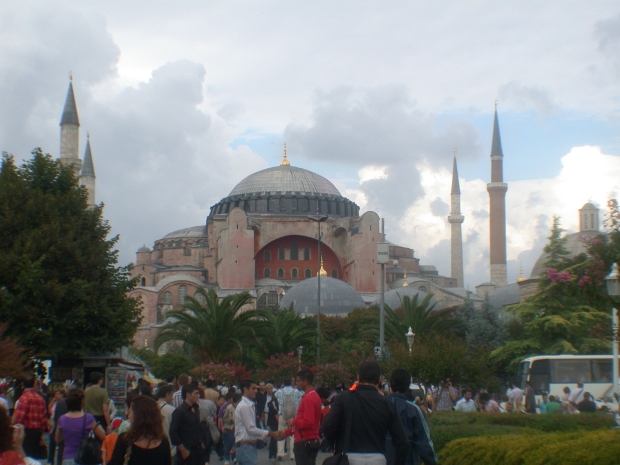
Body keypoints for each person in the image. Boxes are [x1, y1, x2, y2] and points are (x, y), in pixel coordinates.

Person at [323, 361, 409, 465]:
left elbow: (328, 426)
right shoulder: (386, 403)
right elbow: (402, 441)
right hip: (377, 458)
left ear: (358, 378)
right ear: (379, 380)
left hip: (348, 457)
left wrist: (335, 446)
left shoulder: (344, 398)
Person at [386, 369, 437, 465]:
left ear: (390, 384)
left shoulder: (379, 407)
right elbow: (423, 442)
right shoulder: (414, 410)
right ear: (408, 385)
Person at [108, 395, 171, 465]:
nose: (128, 415)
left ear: (138, 416)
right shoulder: (163, 442)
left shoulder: (125, 440)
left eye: (131, 412)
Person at [234, 379, 282, 465]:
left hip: (245, 446)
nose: (256, 391)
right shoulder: (245, 406)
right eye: (253, 388)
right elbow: (251, 429)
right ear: (245, 389)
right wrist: (272, 434)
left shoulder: (248, 405)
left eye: (256, 389)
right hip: (246, 447)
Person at [56, 388, 106, 464]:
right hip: (83, 457)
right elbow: (102, 436)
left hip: (67, 458)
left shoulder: (62, 419)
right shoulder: (88, 418)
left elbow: (57, 439)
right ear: (81, 402)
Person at [282, 369, 322, 465]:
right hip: (311, 439)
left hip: (304, 441)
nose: (296, 383)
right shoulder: (314, 396)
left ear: (305, 382)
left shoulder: (309, 398)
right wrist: (287, 432)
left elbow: (308, 422)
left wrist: (293, 422)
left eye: (298, 381)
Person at [12, 376, 48, 461]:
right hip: (37, 432)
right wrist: (41, 434)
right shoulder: (40, 399)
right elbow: (43, 419)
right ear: (33, 384)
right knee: (34, 458)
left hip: (26, 432)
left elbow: (18, 419)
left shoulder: (23, 398)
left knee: (26, 457)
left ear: (22, 385)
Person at [170, 384, 204, 465]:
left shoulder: (196, 409)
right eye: (196, 393)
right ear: (188, 395)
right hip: (187, 450)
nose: (198, 396)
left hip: (198, 450)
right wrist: (182, 449)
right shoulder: (180, 411)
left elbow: (197, 428)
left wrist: (201, 442)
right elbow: (173, 432)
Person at [274, 377, 301, 460]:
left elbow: (275, 400)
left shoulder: (279, 392)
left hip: (282, 415)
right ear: (291, 383)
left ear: (283, 383)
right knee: (293, 435)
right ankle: (292, 454)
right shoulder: (296, 392)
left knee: (281, 433)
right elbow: (299, 402)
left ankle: (280, 453)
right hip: (293, 416)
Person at [156, 385, 177, 460]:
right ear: (167, 395)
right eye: (171, 395)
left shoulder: (151, 407)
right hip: (170, 447)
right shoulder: (171, 410)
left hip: (154, 445)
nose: (172, 398)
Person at [223, 393, 241, 465]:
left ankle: (234, 458)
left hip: (238, 429)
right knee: (228, 444)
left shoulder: (241, 407)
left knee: (236, 445)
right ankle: (227, 458)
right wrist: (231, 420)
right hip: (230, 429)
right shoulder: (229, 408)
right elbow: (224, 418)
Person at [264, 384, 279, 461]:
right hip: (268, 416)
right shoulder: (264, 397)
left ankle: (274, 453)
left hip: (275, 417)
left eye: (271, 388)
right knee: (273, 436)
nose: (270, 390)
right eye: (268, 388)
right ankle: (271, 454)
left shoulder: (274, 397)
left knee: (275, 436)